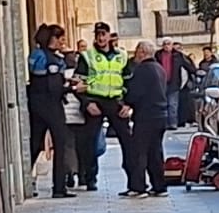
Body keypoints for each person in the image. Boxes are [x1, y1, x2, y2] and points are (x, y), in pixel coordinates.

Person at [74, 22, 130, 193]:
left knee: (128, 141)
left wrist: (127, 103)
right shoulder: (87, 56)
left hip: (115, 102)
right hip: (94, 102)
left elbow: (129, 81)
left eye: (103, 34)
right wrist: (86, 102)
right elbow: (77, 83)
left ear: (109, 35)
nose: (100, 37)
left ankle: (134, 180)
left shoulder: (122, 56)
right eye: (98, 34)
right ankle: (89, 178)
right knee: (89, 143)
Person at [26, 25, 72, 198]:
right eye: (60, 38)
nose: (63, 42)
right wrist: (71, 88)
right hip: (51, 106)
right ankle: (59, 187)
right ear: (52, 39)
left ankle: (26, 180)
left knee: (35, 144)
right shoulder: (50, 59)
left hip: (36, 105)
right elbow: (54, 87)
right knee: (60, 143)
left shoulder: (35, 55)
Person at [121, 42, 170, 198]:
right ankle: (159, 186)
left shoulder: (142, 70)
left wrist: (127, 102)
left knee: (139, 152)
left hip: (145, 115)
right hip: (161, 115)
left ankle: (138, 187)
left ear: (142, 52)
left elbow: (135, 93)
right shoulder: (160, 69)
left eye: (136, 51)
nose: (135, 55)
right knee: (155, 152)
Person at [156, 39, 194, 128]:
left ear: (172, 45)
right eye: (164, 44)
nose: (166, 46)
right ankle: (164, 124)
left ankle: (173, 123)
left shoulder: (178, 55)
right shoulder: (158, 55)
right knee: (163, 104)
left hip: (174, 83)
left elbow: (188, 66)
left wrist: (194, 72)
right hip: (161, 83)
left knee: (173, 104)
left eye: (168, 44)